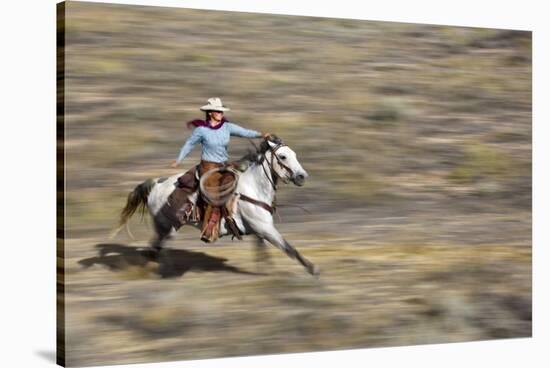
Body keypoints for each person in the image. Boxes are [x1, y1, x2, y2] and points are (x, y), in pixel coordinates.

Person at [170, 97, 270, 242]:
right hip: (207, 167)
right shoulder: (201, 130)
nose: (220, 114)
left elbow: (244, 132)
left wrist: (261, 134)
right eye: (217, 111)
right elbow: (189, 145)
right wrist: (178, 159)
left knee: (241, 179)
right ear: (210, 113)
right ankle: (210, 227)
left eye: (221, 111)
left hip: (223, 165)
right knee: (215, 192)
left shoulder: (227, 127)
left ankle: (238, 215)